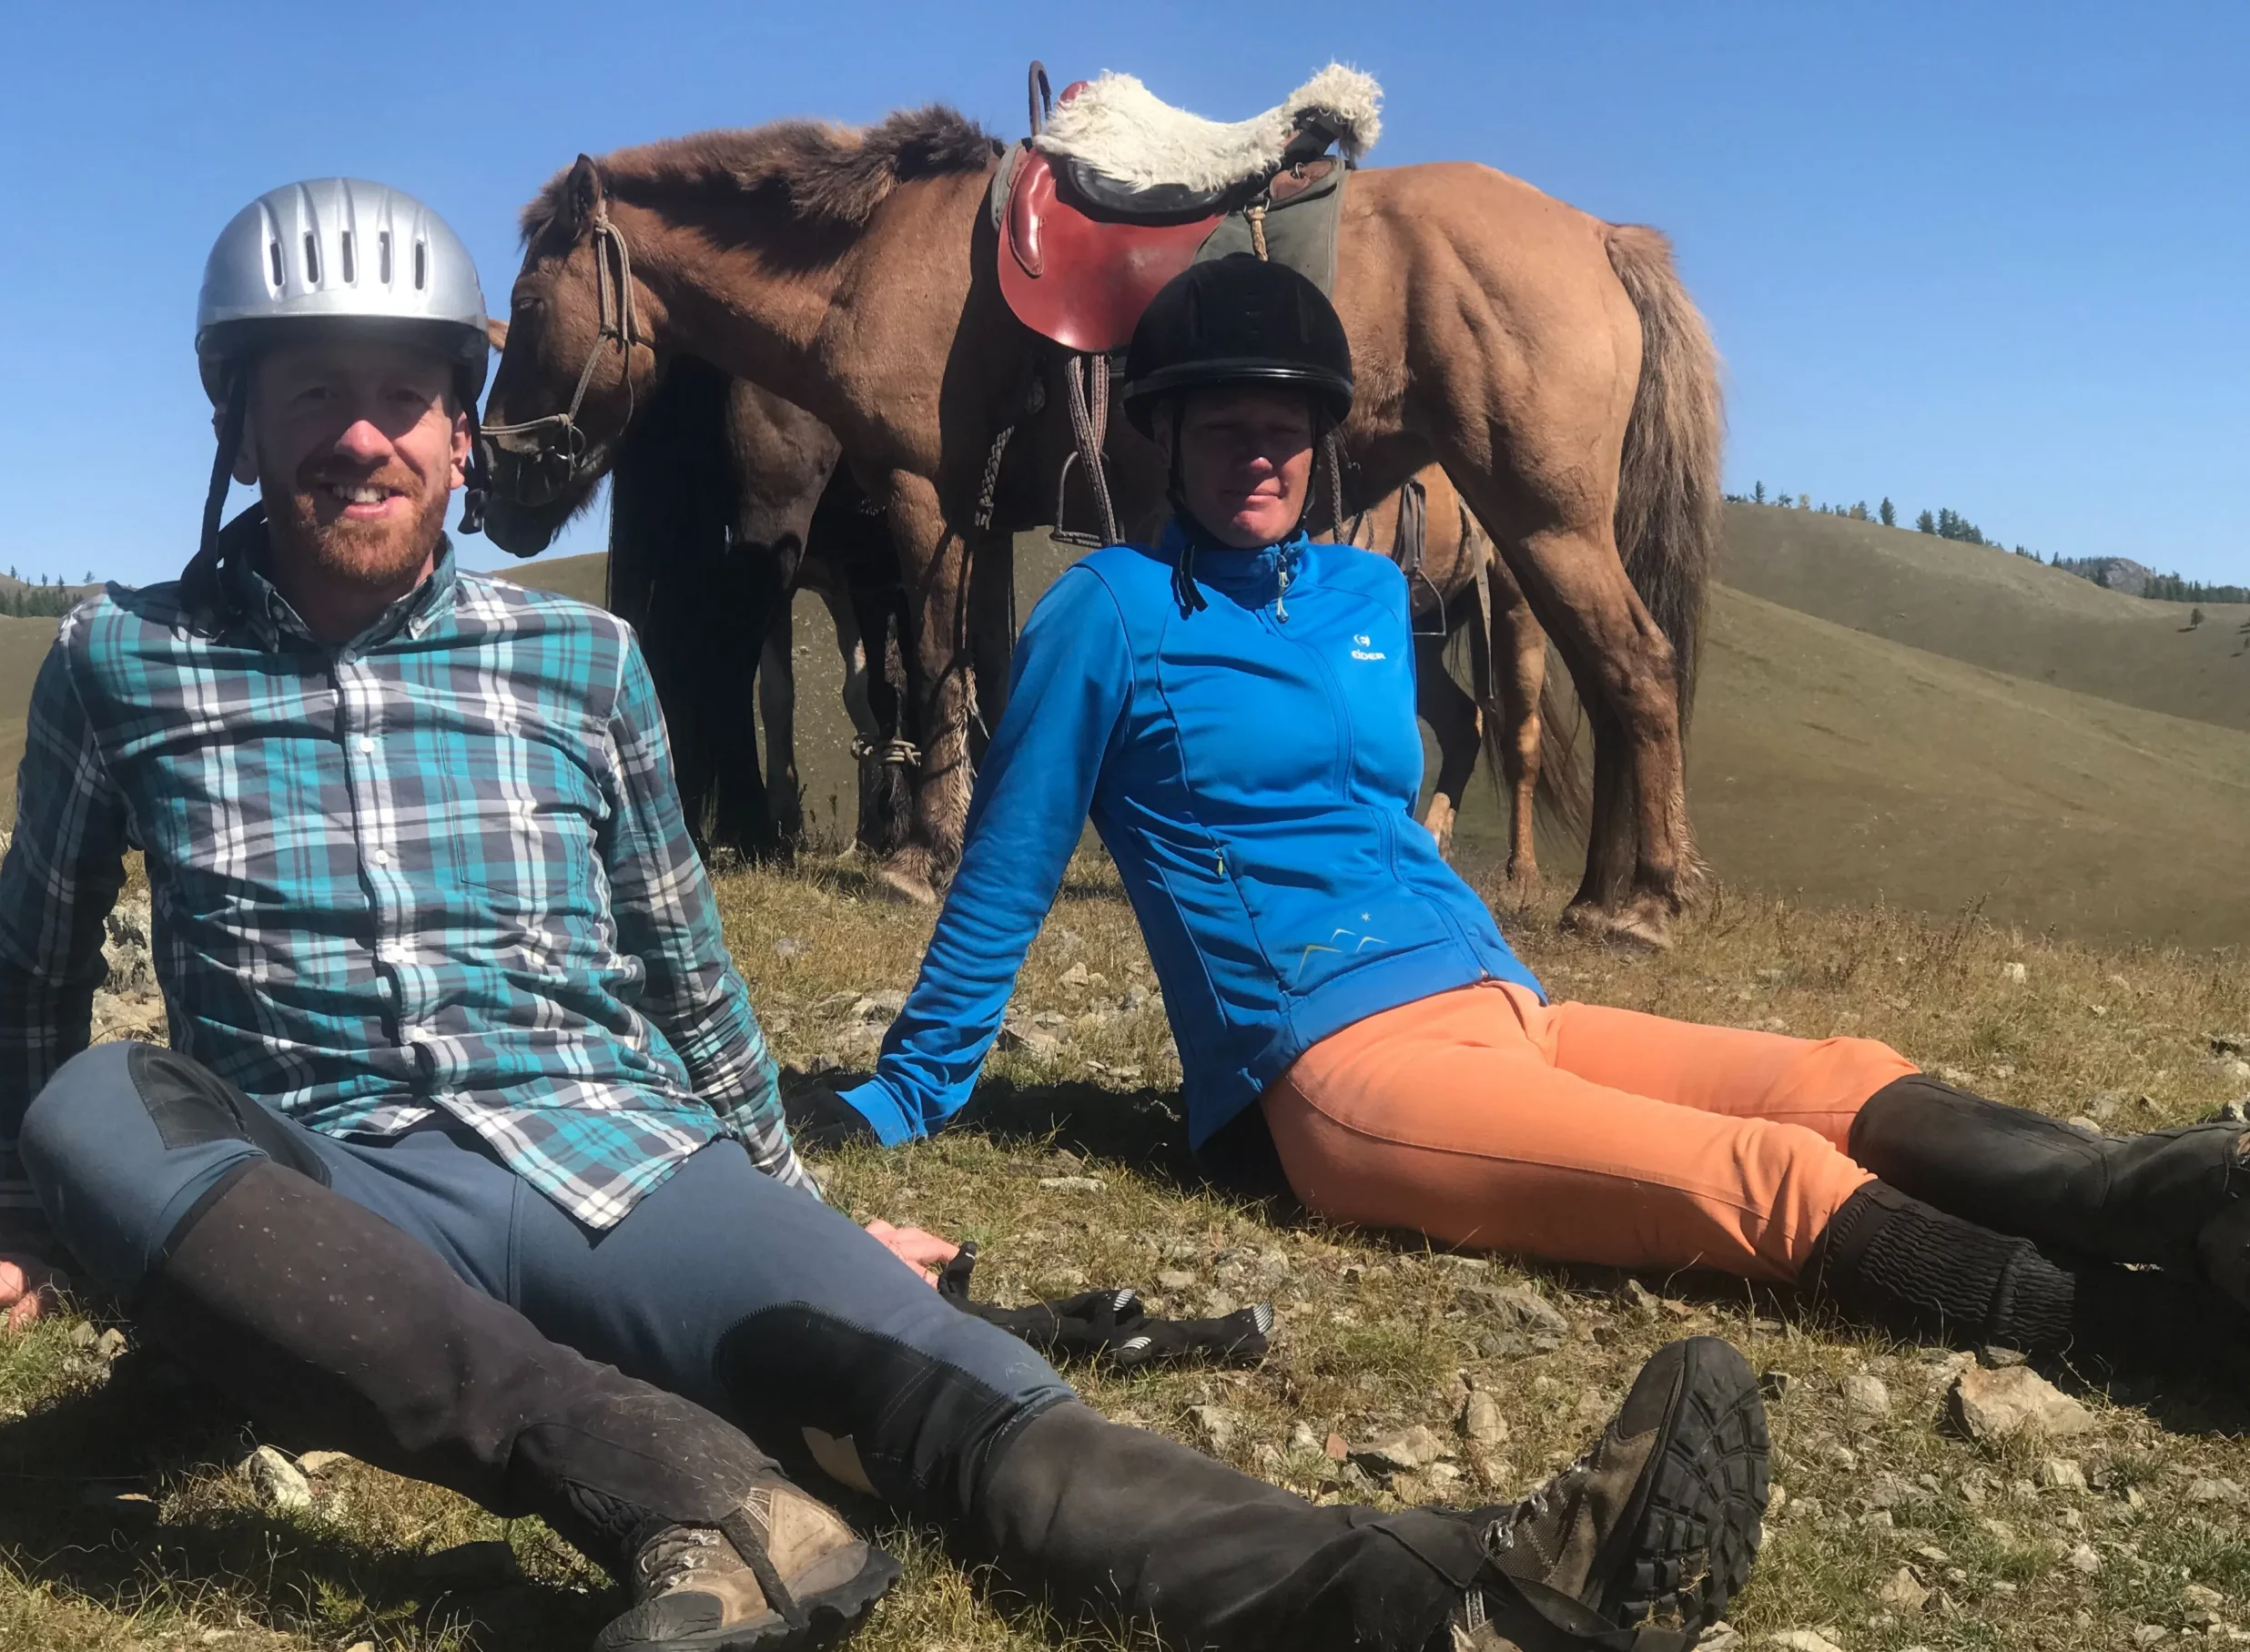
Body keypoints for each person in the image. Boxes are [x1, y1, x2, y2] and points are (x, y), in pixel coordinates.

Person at [0, 180, 1771, 1652]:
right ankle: (687, 1495)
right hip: (320, 1182)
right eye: (310, 391)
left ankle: (1432, 1632)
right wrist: (4, 1204)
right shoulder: (123, 660)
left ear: (463, 431)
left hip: (609, 1154)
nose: (360, 435)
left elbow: (680, 963)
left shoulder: (578, 671)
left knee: (945, 1397)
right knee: (96, 1110)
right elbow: (27, 967)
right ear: (233, 420)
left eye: (401, 397)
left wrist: (798, 1197)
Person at [812, 253, 2250, 1379]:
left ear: (1325, 440)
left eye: (1289, 427)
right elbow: (1007, 864)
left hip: (1509, 1002)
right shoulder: (1109, 614)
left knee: (1840, 1072)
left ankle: (2178, 1200)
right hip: (1340, 1072)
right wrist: (909, 1089)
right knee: (1760, 1180)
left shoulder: (1375, 599)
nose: (1263, 455)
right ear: (1165, 436)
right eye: (1227, 426)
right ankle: (2160, 1341)